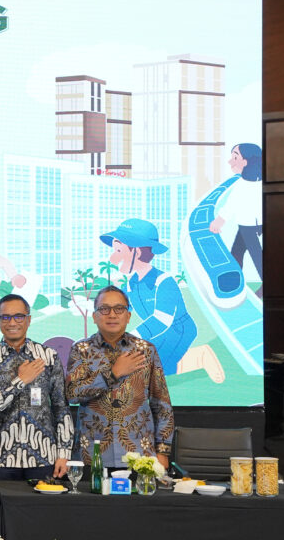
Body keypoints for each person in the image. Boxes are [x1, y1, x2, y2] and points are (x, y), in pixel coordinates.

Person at [102, 218, 224, 383]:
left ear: (137, 252)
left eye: (118, 251)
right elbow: (121, 307)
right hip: (153, 331)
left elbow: (162, 320)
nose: (113, 258)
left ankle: (200, 356)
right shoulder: (131, 284)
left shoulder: (164, 282)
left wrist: (131, 338)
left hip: (178, 330)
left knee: (157, 367)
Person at [65, 285, 174, 469]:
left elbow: (162, 404)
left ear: (128, 316)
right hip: (92, 454)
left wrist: (162, 452)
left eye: (119, 309)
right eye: (104, 309)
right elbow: (72, 394)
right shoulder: (81, 350)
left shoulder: (145, 351)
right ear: (94, 316)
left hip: (139, 455)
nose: (112, 315)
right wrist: (112, 374)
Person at [0, 294, 73, 481]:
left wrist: (64, 452)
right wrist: (19, 381)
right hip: (1, 458)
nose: (12, 322)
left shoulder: (48, 356)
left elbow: (61, 407)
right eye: (5, 317)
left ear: (28, 319)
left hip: (44, 456)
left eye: (18, 316)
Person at [210, 143, 264, 296]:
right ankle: (234, 283)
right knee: (238, 252)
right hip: (252, 224)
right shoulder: (258, 183)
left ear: (245, 162)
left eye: (235, 157)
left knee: (253, 255)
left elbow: (230, 207)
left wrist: (217, 223)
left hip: (247, 225)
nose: (230, 162)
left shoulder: (241, 186)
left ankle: (238, 285)